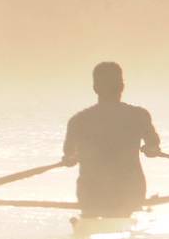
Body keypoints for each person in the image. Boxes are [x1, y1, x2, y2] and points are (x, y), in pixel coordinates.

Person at [62, 62, 162, 218]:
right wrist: (150, 150)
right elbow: (153, 147)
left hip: (91, 196)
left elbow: (69, 155)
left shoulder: (78, 121)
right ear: (122, 86)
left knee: (90, 196)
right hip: (130, 194)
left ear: (95, 88)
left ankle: (90, 218)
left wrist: (71, 159)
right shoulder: (139, 116)